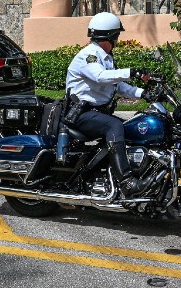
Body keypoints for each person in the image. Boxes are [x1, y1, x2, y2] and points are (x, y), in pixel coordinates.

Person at [65, 12, 152, 197]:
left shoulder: (106, 57)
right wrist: (132, 71)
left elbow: (118, 85)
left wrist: (144, 93)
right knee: (115, 125)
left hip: (96, 113)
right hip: (81, 114)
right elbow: (100, 76)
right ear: (110, 36)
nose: (117, 40)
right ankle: (127, 182)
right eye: (116, 36)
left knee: (132, 127)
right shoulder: (88, 56)